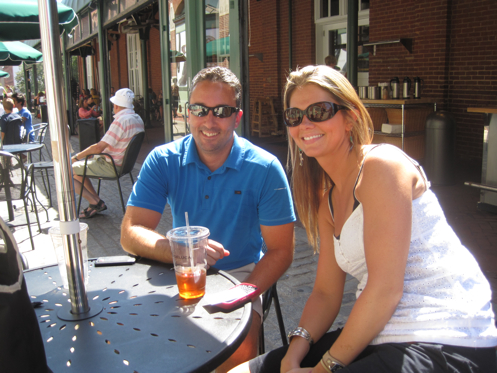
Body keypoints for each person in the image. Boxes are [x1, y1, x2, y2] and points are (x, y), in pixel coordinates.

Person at [232, 65, 497, 373]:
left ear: (350, 118)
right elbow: (325, 294)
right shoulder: (327, 204)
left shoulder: (382, 166)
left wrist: (322, 369)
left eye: (319, 110)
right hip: (380, 336)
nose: (305, 122)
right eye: (295, 115)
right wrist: (295, 352)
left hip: (447, 338)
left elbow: (385, 288)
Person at [121, 66, 296, 373]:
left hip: (241, 273)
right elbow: (130, 232)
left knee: (236, 350)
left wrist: (241, 296)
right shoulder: (163, 160)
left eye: (222, 111)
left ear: (237, 117)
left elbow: (281, 251)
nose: (209, 120)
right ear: (187, 114)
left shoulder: (265, 168)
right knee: (139, 343)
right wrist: (181, 250)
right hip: (179, 271)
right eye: (200, 109)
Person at [72, 88, 144, 219]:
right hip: (125, 166)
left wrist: (76, 157)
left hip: (111, 165)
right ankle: (95, 201)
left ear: (116, 105)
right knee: (81, 169)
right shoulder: (138, 119)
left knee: (68, 171)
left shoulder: (121, 121)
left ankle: (95, 202)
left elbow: (99, 147)